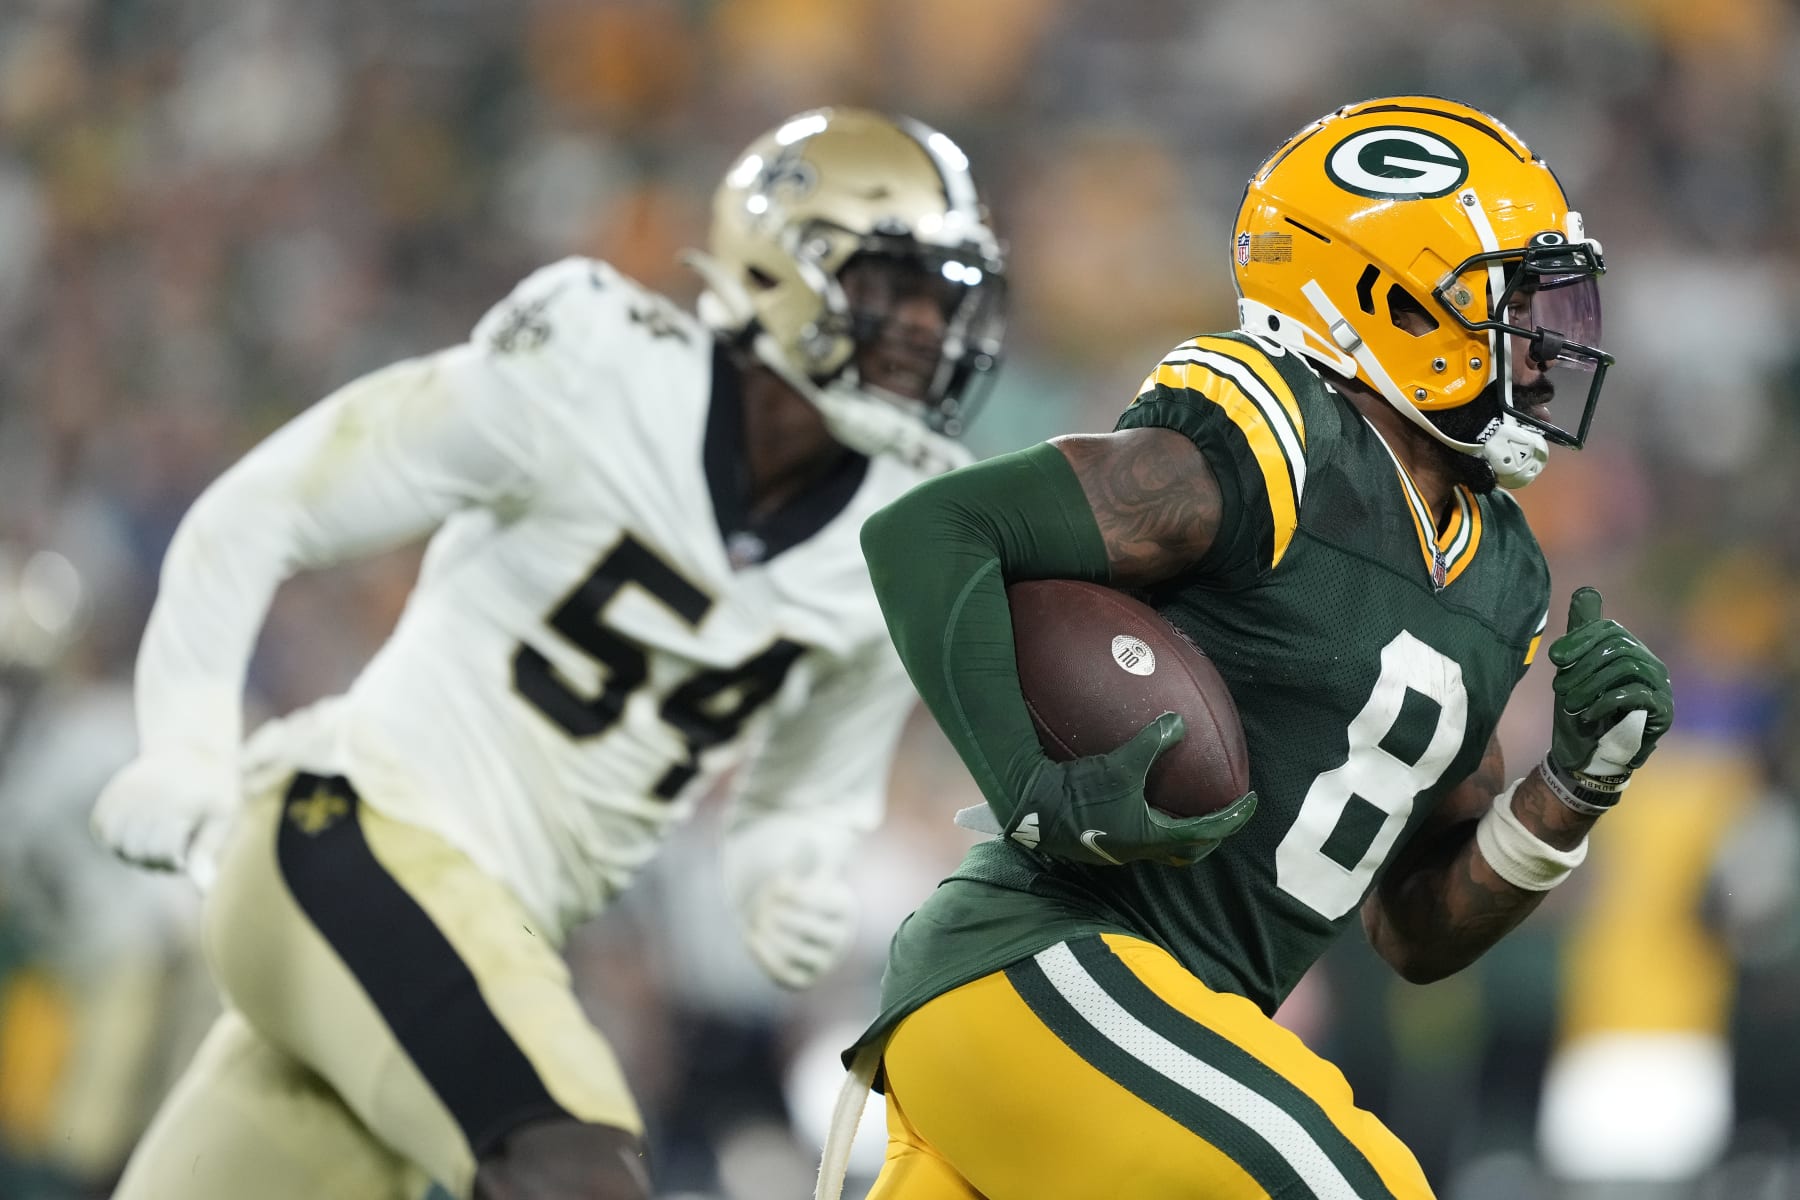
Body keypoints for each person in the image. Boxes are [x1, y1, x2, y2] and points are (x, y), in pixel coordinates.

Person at [89, 106, 1008, 1200]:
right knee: (576, 1168)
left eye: (942, 297)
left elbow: (804, 794)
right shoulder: (598, 363)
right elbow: (265, 508)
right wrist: (187, 741)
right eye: (890, 287)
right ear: (781, 265)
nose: (923, 327)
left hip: (464, 944)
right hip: (352, 837)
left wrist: (784, 876)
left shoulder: (900, 533)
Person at [826, 95, 1675, 1200]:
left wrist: (1568, 793)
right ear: (1390, 298)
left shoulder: (1504, 571)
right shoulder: (1277, 431)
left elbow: (1414, 930)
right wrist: (1034, 790)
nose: (1552, 346)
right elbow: (933, 531)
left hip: (1135, 1047)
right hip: (1042, 974)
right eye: (1512, 303)